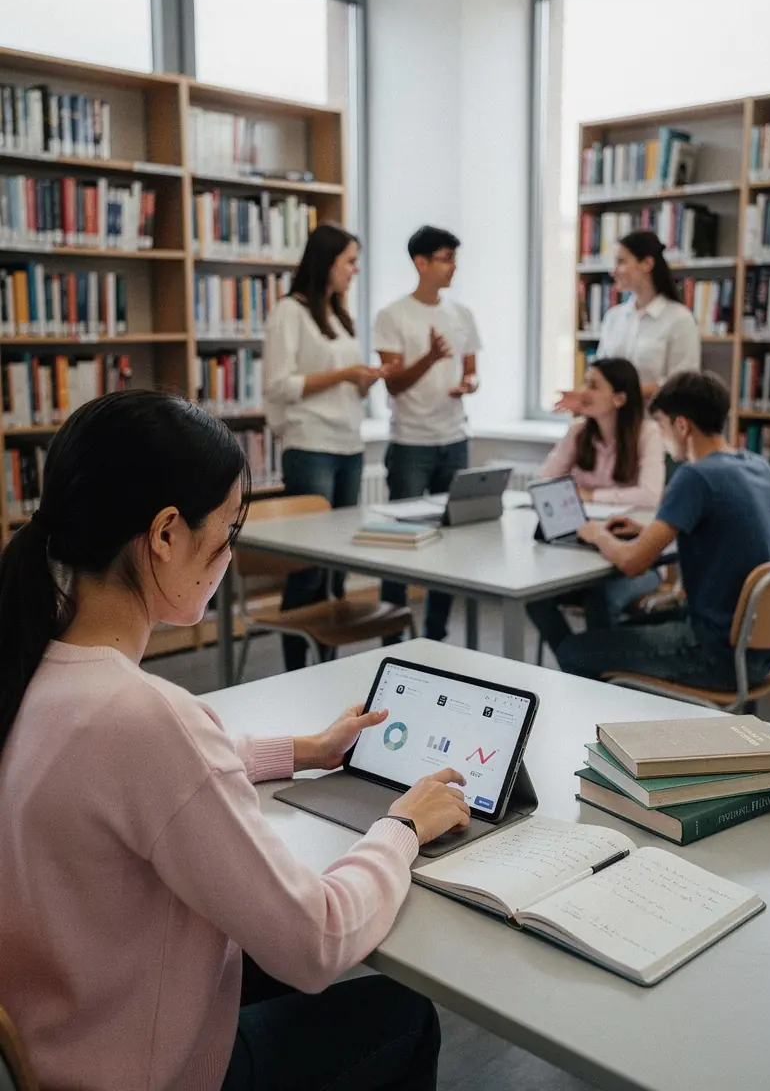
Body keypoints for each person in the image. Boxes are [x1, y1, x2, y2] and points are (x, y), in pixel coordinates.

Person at [0, 390, 470, 1091]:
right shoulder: (144, 719)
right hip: (153, 1071)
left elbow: (135, 778)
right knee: (403, 1013)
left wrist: (303, 751)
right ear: (164, 535)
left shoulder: (31, 665)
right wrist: (401, 827)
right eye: (224, 533)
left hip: (69, 1029)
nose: (227, 556)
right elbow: (317, 941)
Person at [556, 370, 770, 691]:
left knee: (574, 650)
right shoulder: (756, 464)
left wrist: (596, 533)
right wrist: (649, 530)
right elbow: (723, 531)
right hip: (763, 649)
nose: (664, 443)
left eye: (663, 427)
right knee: (612, 632)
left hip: (715, 653)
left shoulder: (695, 476)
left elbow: (632, 563)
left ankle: (619, 726)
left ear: (682, 425)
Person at [265, 223, 383, 670]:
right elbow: (279, 384)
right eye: (349, 261)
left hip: (348, 444)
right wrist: (345, 375)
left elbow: (343, 384)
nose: (355, 271)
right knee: (307, 567)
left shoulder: (337, 314)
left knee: (336, 566)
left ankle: (327, 665)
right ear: (326, 262)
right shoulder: (289, 313)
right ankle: (296, 667)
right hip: (310, 444)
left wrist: (363, 382)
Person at [373, 225, 481, 641]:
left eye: (454, 258)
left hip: (454, 440)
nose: (453, 267)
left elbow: (473, 374)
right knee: (400, 542)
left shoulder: (461, 314)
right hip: (410, 444)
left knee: (449, 545)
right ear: (420, 263)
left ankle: (436, 637)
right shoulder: (392, 315)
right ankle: (391, 637)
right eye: (445, 258)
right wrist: (431, 357)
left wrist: (468, 384)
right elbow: (395, 384)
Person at [528, 358, 665, 656]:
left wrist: (589, 495)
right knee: (535, 597)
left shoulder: (647, 433)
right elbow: (543, 482)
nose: (583, 392)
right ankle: (578, 668)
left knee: (600, 598)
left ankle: (596, 677)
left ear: (619, 398)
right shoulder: (579, 432)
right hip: (584, 551)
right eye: (584, 383)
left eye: (593, 385)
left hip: (637, 556)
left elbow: (650, 495)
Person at [557, 229, 700, 413]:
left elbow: (682, 384)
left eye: (621, 262)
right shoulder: (613, 317)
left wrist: (626, 395)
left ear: (647, 263)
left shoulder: (680, 319)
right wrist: (584, 397)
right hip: (612, 424)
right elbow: (601, 375)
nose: (613, 271)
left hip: (655, 425)